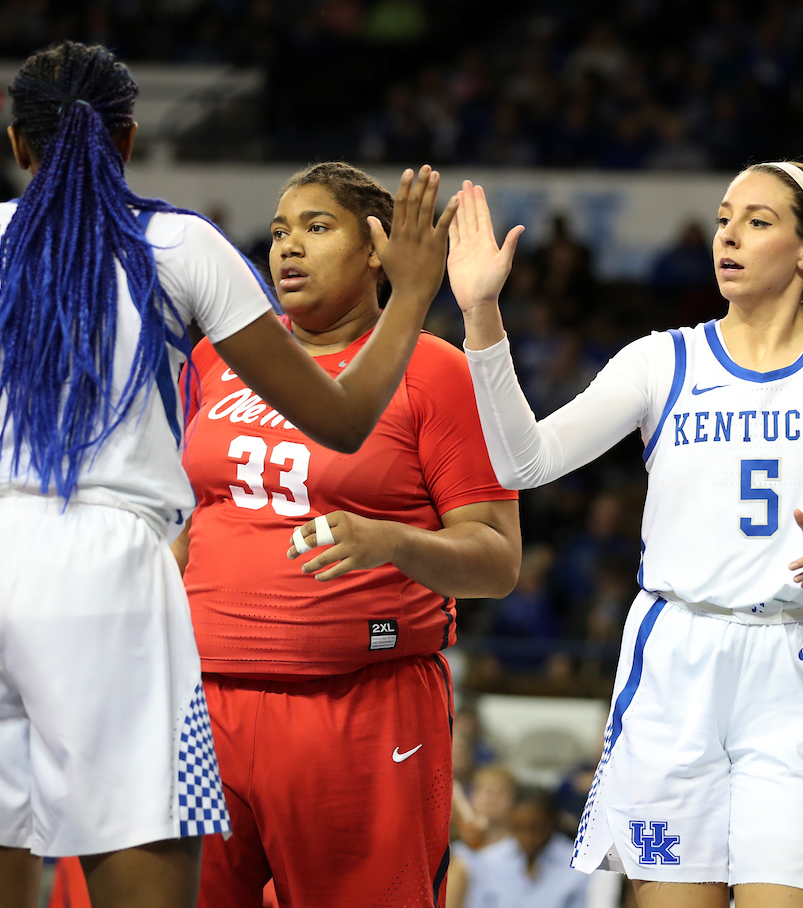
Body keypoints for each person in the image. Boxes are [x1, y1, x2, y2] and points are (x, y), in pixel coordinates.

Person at [0, 41, 456, 908]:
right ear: (129, 139)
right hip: (104, 561)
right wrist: (412, 295)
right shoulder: (179, 242)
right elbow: (345, 418)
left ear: (17, 145)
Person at [447, 161, 803, 908]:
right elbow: (524, 462)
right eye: (723, 220)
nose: (729, 236)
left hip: (794, 666)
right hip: (675, 662)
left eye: (756, 221)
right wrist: (482, 315)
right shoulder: (664, 360)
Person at [174, 161, 519, 908]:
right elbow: (184, 520)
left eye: (316, 227)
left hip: (361, 706)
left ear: (376, 253)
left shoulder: (437, 372)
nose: (288, 247)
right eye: (279, 232)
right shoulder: (218, 357)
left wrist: (392, 541)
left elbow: (497, 561)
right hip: (201, 700)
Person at [464, 788, 590, 908]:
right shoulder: (489, 862)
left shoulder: (578, 866)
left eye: (536, 829)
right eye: (519, 829)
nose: (528, 838)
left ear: (552, 822)